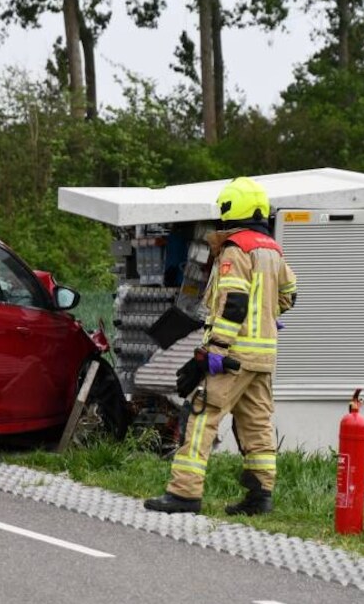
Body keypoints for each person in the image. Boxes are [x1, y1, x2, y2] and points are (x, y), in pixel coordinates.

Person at [144, 176, 297, 516]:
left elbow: (234, 305)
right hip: (263, 357)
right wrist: (270, 314)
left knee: (202, 416)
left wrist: (215, 350)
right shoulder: (272, 248)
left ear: (231, 209)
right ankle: (260, 497)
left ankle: (184, 493)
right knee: (257, 424)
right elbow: (290, 295)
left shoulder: (235, 249)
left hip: (233, 355)